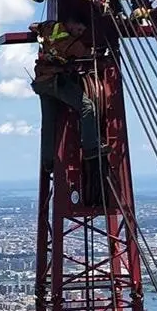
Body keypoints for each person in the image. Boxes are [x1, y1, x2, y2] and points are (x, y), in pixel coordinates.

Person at [31, 20, 102, 200]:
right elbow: (89, 54)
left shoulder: (51, 27)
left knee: (48, 123)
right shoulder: (72, 43)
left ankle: (48, 161)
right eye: (79, 28)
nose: (79, 32)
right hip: (55, 81)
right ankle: (90, 148)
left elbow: (33, 26)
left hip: (41, 82)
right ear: (71, 25)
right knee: (87, 106)